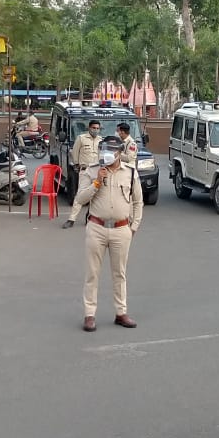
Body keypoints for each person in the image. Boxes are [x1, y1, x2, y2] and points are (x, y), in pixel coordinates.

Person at [74, 137, 143, 331]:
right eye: (104, 150)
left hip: (121, 229)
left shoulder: (130, 172)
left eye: (111, 150)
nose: (107, 154)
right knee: (92, 273)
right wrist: (97, 182)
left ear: (119, 153)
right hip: (97, 228)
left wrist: (134, 226)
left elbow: (138, 201)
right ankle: (89, 314)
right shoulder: (92, 170)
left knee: (119, 273)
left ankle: (121, 313)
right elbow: (80, 198)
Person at [63, 119, 104, 229]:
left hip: (97, 171)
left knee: (95, 195)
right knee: (80, 195)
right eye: (93, 128)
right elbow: (74, 152)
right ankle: (71, 219)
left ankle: (90, 216)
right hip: (85, 170)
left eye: (97, 128)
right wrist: (77, 164)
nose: (95, 130)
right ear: (89, 128)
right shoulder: (81, 138)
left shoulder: (101, 140)